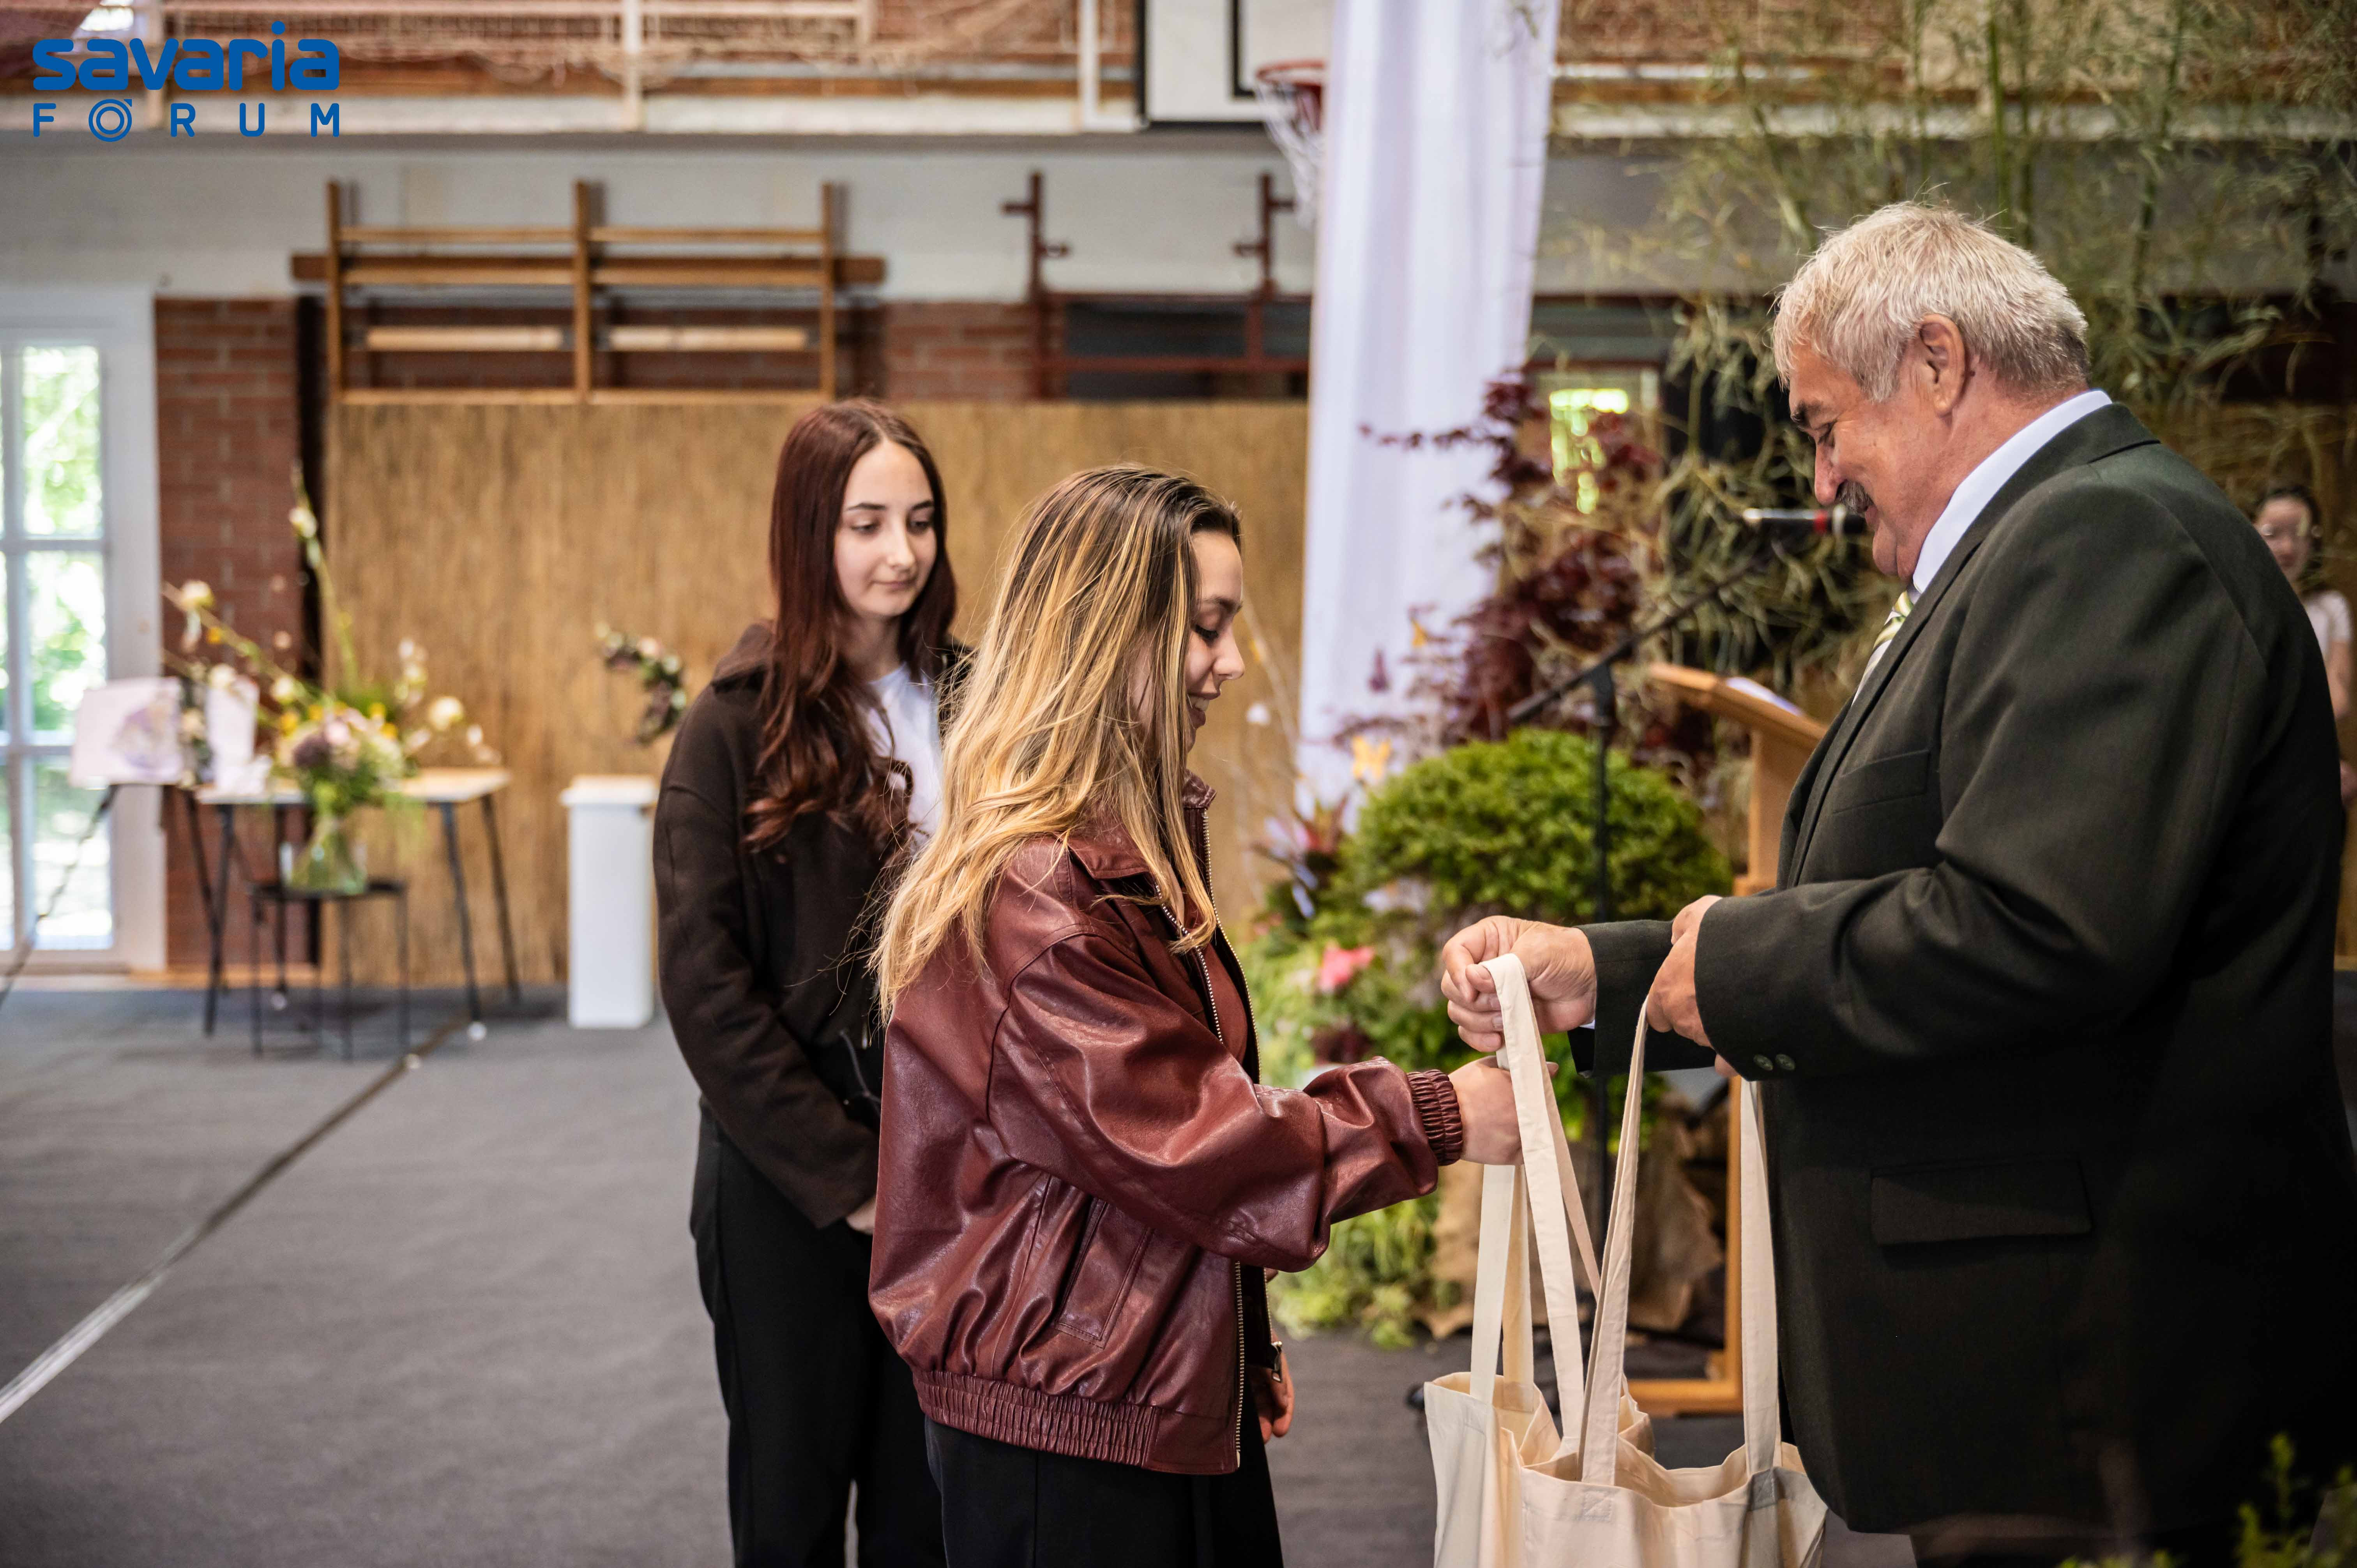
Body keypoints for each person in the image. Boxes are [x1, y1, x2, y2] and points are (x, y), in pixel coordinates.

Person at [1440, 203, 2357, 1564]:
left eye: (1824, 427)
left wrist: (1729, 965)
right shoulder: (2049, 541)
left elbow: (2035, 926)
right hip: (2043, 1369)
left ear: (1936, 362)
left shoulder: (2107, 541)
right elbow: (1905, 888)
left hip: (2096, 1375)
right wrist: (1608, 975)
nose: (1823, 480)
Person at [867, 465, 1520, 1568]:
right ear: (1107, 632)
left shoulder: (1116, 850)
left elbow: (1146, 1157)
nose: (1229, 661)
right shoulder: (1039, 894)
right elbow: (1197, 1141)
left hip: (1130, 1384)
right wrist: (1436, 1115)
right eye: (1205, 627)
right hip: (1069, 1438)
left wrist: (1230, 1341)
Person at [657, 399, 958, 1568]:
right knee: (789, 1511)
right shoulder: (732, 728)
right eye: (866, 523)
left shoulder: (976, 701)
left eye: (920, 521)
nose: (901, 552)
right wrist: (848, 1177)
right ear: (807, 531)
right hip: (788, 1184)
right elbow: (706, 985)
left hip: (953, 1164)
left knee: (930, 1509)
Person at [2254, 482, 2355, 802]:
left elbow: (2339, 696)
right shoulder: (2242, 608)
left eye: (2299, 534)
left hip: (2310, 752)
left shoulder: (2330, 607)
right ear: (2249, 534)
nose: (2287, 548)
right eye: (2272, 533)